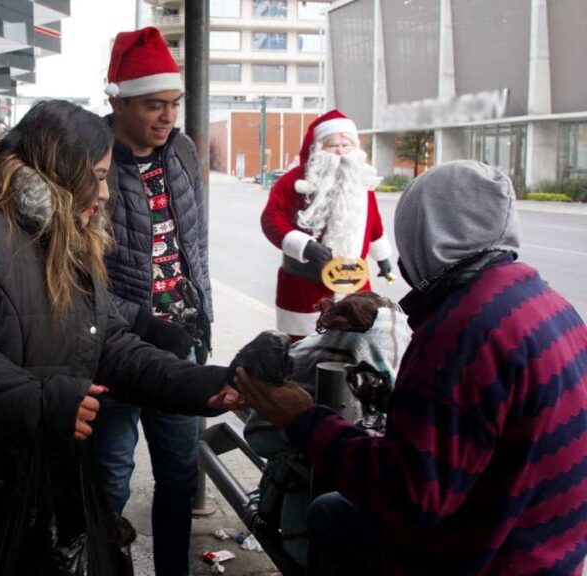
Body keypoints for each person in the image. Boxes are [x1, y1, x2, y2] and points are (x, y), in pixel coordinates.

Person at [0, 99, 241, 576]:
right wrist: (40, 400)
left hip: (35, 489)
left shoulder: (65, 243)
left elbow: (112, 345)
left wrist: (206, 385)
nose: (106, 193)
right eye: (100, 175)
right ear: (63, 170)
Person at [237, 160, 587, 575]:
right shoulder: (545, 303)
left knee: (329, 513)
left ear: (424, 234)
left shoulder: (461, 332)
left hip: (485, 556)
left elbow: (407, 498)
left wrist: (303, 420)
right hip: (552, 545)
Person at [92, 26, 211, 576]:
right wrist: (139, 323)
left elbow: (194, 243)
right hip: (114, 352)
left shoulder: (183, 149)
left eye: (174, 104)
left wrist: (200, 316)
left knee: (180, 476)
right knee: (110, 478)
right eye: (153, 105)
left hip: (178, 347)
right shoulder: (89, 160)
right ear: (117, 101)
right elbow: (77, 274)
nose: (167, 117)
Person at [260, 110, 394, 339]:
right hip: (306, 287)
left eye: (346, 144)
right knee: (303, 352)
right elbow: (271, 219)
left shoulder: (361, 182)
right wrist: (304, 245)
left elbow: (374, 225)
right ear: (318, 147)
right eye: (333, 145)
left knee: (354, 347)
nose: (341, 151)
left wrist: (382, 258)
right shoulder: (293, 182)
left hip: (355, 285)